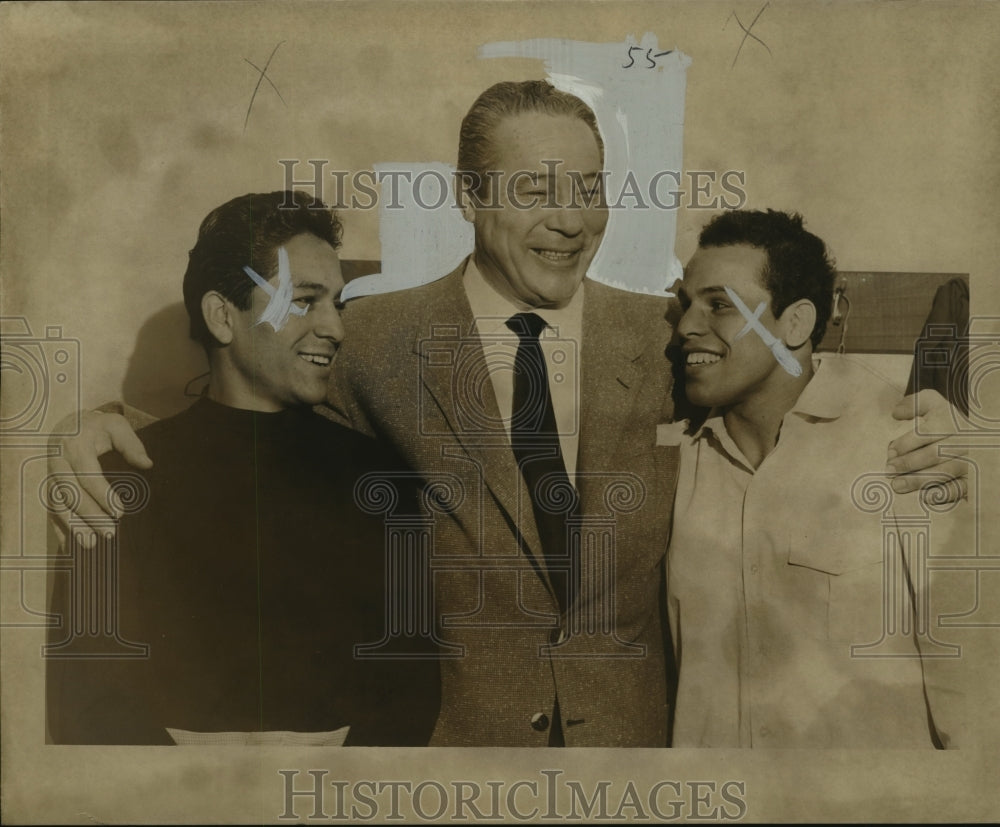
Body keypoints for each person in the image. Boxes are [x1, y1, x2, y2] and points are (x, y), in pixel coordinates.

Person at [51, 81, 967, 748]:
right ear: (470, 196)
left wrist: (954, 438)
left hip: (635, 764)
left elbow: (794, 387)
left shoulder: (670, 336)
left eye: (588, 187)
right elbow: (247, 407)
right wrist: (100, 424)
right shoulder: (375, 339)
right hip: (452, 762)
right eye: (535, 189)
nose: (570, 219)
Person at [46, 191, 439, 746]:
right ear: (222, 317)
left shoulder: (381, 476)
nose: (336, 328)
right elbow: (91, 696)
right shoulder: (117, 474)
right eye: (304, 300)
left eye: (338, 303)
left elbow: (411, 688)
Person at [662, 209, 975, 747]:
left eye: (720, 305)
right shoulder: (675, 462)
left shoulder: (906, 447)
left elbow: (971, 686)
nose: (688, 326)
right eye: (684, 304)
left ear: (796, 323)